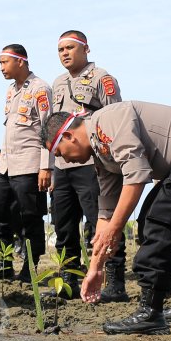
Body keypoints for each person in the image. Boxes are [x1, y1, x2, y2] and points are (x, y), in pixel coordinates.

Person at [43, 102, 171, 334]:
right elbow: (107, 212)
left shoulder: (108, 121)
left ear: (68, 136)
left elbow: (135, 178)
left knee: (157, 225)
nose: (64, 161)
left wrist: (115, 229)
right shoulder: (102, 155)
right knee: (148, 225)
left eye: (59, 153)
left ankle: (150, 313)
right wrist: (95, 268)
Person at [50, 31, 122, 299]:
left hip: (92, 162)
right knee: (64, 226)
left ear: (86, 49)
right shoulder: (57, 83)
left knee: (100, 223)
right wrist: (48, 166)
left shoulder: (102, 78)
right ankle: (69, 280)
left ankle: (115, 282)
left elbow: (116, 119)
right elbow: (51, 129)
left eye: (70, 48)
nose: (65, 53)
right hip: (62, 164)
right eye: (60, 50)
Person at [0, 44, 53, 282]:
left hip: (30, 165)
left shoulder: (40, 88)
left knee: (29, 217)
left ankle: (30, 267)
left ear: (20, 61)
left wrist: (46, 166)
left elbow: (48, 130)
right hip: (7, 164)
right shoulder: (11, 90)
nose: (1, 68)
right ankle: (3, 263)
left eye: (4, 62)